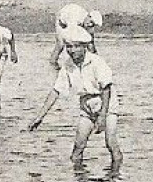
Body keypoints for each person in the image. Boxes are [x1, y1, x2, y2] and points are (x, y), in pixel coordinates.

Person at [29, 27, 122, 167]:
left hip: (105, 103)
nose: (72, 51)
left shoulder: (96, 62)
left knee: (110, 142)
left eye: (76, 46)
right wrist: (40, 117)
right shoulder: (68, 65)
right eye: (69, 47)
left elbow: (106, 89)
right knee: (78, 145)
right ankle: (79, 181)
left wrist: (102, 116)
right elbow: (56, 91)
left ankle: (115, 178)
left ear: (84, 47)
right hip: (86, 104)